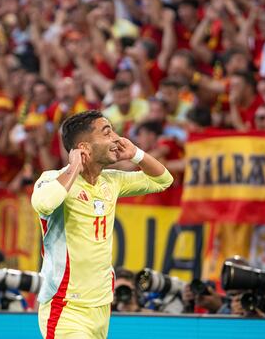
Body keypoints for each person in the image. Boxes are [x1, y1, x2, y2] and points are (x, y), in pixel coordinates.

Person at [31, 110, 173, 338]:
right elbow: (44, 204)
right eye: (107, 133)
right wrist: (74, 167)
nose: (116, 139)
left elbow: (163, 180)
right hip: (66, 307)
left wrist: (135, 154)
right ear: (84, 147)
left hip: (102, 307)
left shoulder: (111, 181)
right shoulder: (52, 178)